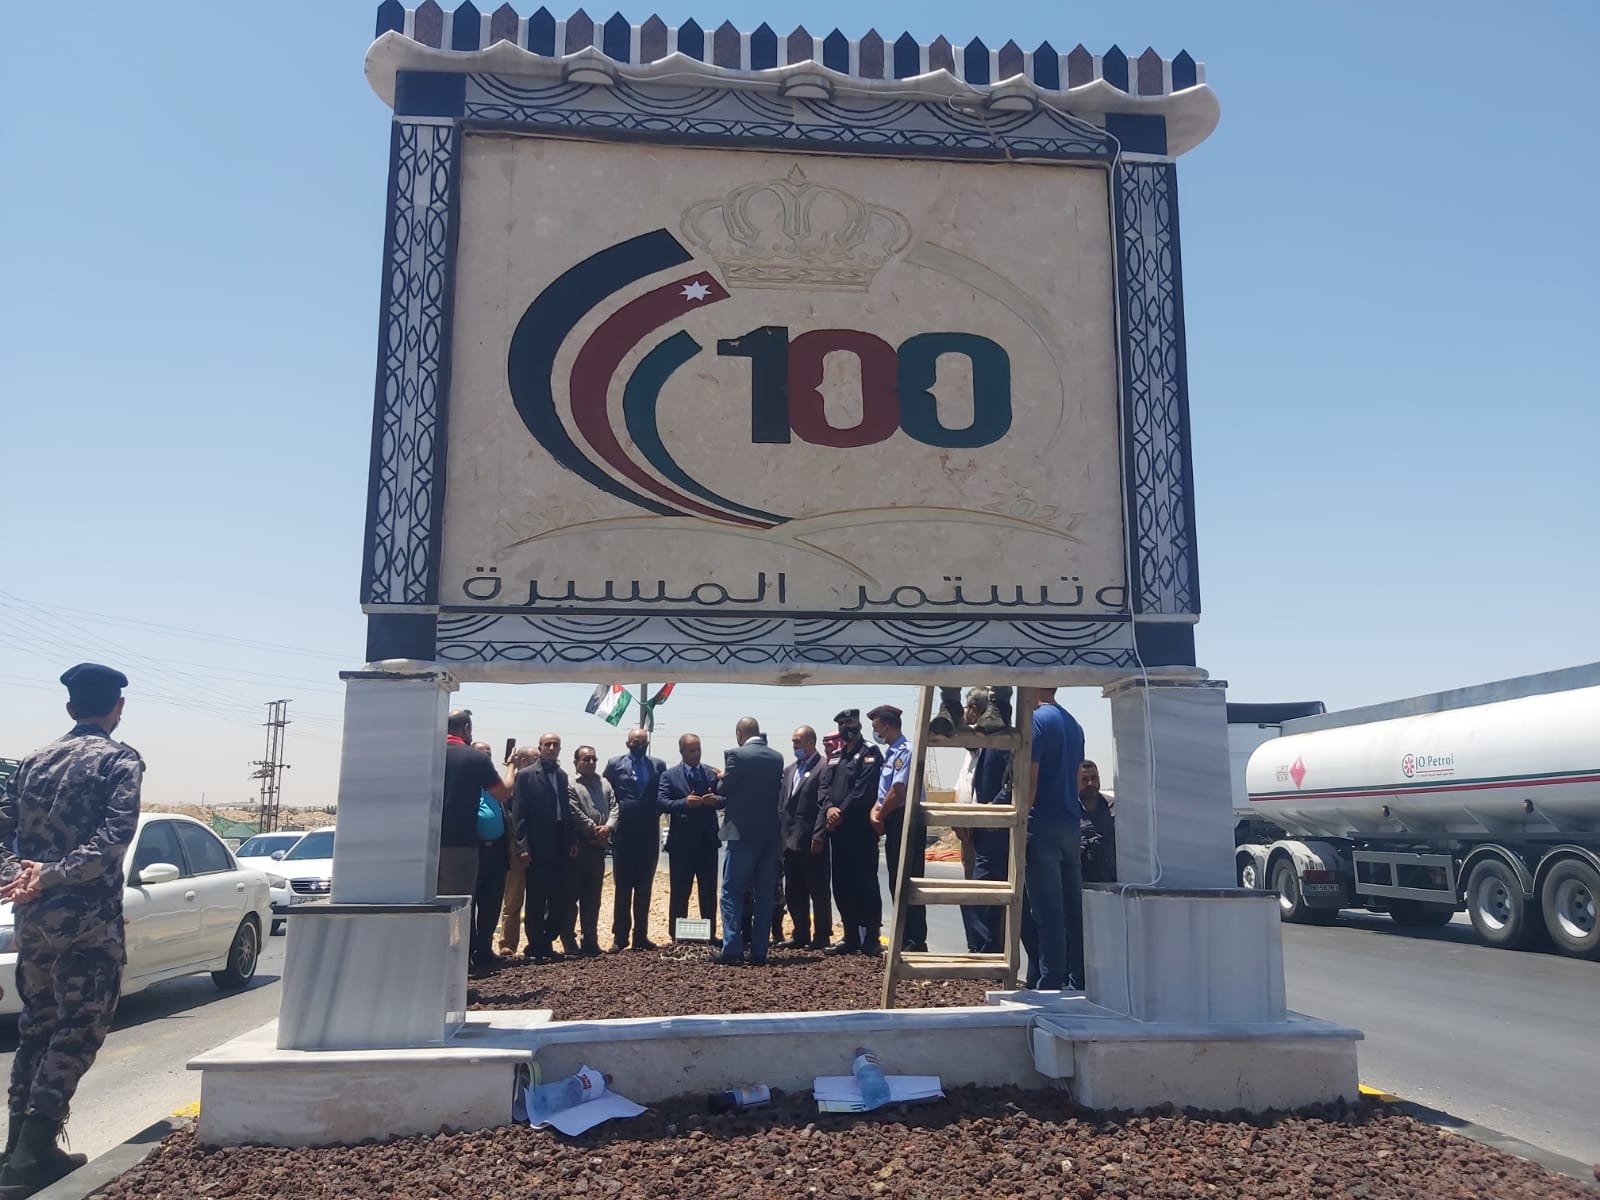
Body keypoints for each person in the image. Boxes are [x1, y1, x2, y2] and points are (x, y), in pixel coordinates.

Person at [0, 664, 141, 1194]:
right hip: (87, 922)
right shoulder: (119, 761)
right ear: (117, 709)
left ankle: (16, 1150)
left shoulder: (32, 762)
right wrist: (52, 874)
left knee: (38, 1026)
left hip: (34, 918)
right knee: (79, 1028)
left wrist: (17, 876)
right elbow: (114, 838)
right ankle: (33, 1154)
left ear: (69, 708)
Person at [1022, 688, 1087, 990]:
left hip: (1042, 823)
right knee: (1073, 909)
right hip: (1070, 822)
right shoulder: (1074, 724)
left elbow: (1030, 778)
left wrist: (1020, 819)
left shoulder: (1037, 721)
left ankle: (1050, 982)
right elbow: (1076, 777)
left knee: (1047, 911)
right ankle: (1079, 978)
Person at [710, 717, 783, 966]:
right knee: (764, 894)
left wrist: (722, 777)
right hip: (769, 835)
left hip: (741, 835)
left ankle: (732, 948)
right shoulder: (776, 757)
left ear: (739, 733)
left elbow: (724, 789)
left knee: (731, 891)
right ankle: (760, 951)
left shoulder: (736, 756)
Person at [816, 710, 884, 956]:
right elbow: (824, 788)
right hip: (838, 832)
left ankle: (872, 937)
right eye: (842, 724)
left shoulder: (870, 753)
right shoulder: (836, 757)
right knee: (842, 884)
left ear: (859, 724)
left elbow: (862, 790)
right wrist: (829, 809)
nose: (846, 727)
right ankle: (850, 935)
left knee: (865, 883)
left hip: (860, 831)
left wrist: (840, 812)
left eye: (850, 722)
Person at [868, 705, 928, 952]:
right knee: (896, 881)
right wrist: (875, 811)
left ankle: (915, 940)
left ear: (886, 726)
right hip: (892, 818)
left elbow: (898, 790)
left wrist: (879, 815)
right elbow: (883, 792)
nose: (875, 733)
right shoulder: (891, 753)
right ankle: (904, 937)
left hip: (906, 819)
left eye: (876, 728)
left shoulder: (906, 751)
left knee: (908, 879)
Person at [511, 732, 574, 962]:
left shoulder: (563, 776)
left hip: (560, 842)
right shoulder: (526, 776)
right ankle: (536, 945)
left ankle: (548, 938)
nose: (551, 748)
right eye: (547, 744)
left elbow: (567, 811)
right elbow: (519, 814)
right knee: (536, 897)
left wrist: (572, 841)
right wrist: (522, 847)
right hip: (537, 845)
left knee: (559, 897)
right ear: (540, 748)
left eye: (556, 745)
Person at [603, 728, 667, 951]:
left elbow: (663, 793)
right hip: (623, 834)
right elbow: (606, 792)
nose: (640, 746)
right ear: (628, 743)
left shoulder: (658, 765)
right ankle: (620, 937)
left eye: (643, 742)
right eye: (635, 742)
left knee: (644, 886)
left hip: (649, 833)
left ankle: (641, 935)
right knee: (623, 886)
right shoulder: (614, 764)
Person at [441, 711, 512, 900]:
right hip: (459, 845)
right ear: (466, 728)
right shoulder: (474, 758)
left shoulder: (427, 753)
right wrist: (511, 767)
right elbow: (503, 793)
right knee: (457, 904)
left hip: (422, 844)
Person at [657, 733, 720, 942]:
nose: (696, 754)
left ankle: (709, 935)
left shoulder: (711, 774)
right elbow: (662, 802)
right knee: (679, 892)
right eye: (692, 750)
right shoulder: (669, 775)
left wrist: (714, 800)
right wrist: (684, 803)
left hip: (707, 843)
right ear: (682, 752)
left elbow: (725, 798)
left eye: (698, 749)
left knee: (708, 892)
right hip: (681, 844)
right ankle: (677, 936)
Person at [777, 725, 832, 949]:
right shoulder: (790, 770)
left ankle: (822, 936)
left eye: (798, 741)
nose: (794, 745)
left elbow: (823, 805)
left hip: (811, 841)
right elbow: (783, 804)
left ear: (811, 742)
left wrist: (819, 835)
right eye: (793, 741)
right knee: (793, 891)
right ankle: (800, 933)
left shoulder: (824, 767)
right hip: (789, 841)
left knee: (818, 891)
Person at [564, 746, 614, 955]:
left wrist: (608, 827)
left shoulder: (605, 783)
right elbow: (573, 811)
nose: (591, 763)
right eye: (586, 759)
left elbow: (615, 807)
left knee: (593, 898)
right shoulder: (570, 784)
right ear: (576, 762)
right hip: (579, 847)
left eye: (594, 759)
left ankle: (590, 939)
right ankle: (569, 939)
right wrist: (594, 829)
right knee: (571, 897)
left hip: (598, 850)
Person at [469, 741, 512, 973]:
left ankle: (485, 951)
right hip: (473, 851)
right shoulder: (466, 783)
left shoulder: (494, 786)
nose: (485, 758)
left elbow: (508, 793)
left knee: (491, 904)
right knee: (469, 905)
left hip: (497, 851)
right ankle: (468, 952)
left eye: (488, 754)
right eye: (481, 754)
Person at [497, 745, 537, 958]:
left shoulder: (540, 781)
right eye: (534, 759)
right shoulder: (512, 784)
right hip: (515, 849)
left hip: (539, 848)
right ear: (522, 761)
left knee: (538, 899)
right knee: (513, 900)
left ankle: (537, 942)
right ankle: (508, 944)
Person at [1078, 760, 1117, 883]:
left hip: (1112, 880)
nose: (1090, 783)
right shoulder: (1069, 810)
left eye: (1094, 778)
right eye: (1084, 779)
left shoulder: (1115, 807)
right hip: (1080, 881)